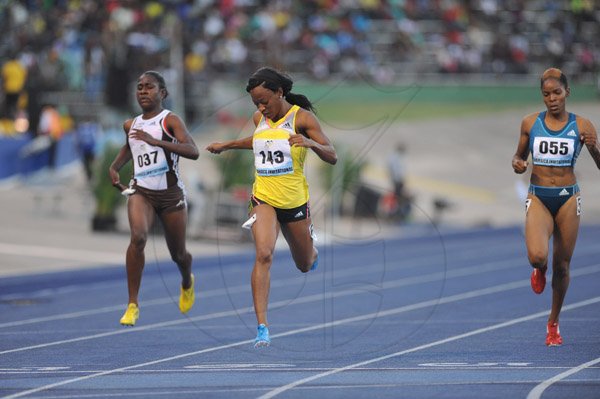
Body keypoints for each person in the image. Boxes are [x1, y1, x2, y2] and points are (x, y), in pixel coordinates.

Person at [206, 67, 337, 347]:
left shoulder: (302, 118)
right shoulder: (259, 119)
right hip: (263, 198)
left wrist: (311, 142)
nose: (261, 108)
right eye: (256, 103)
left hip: (294, 203)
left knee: (304, 264)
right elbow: (257, 141)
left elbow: (332, 155)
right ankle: (262, 327)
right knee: (263, 254)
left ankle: (311, 251)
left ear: (280, 92)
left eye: (265, 101)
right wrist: (227, 144)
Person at [512, 68, 600, 346]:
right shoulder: (529, 123)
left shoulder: (583, 126)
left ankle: (553, 323)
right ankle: (539, 269)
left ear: (567, 92)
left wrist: (595, 149)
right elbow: (518, 157)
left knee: (562, 266)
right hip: (539, 195)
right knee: (538, 257)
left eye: (557, 93)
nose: (552, 99)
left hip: (567, 197)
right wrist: (517, 164)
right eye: (546, 94)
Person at [108, 71, 199, 326]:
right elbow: (132, 146)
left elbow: (193, 151)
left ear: (163, 93)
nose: (143, 91)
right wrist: (115, 167)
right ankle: (132, 305)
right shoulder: (131, 124)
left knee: (178, 254)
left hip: (171, 196)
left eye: (149, 87)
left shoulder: (170, 120)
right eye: (139, 88)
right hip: (142, 192)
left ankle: (187, 281)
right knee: (138, 237)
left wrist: (157, 142)